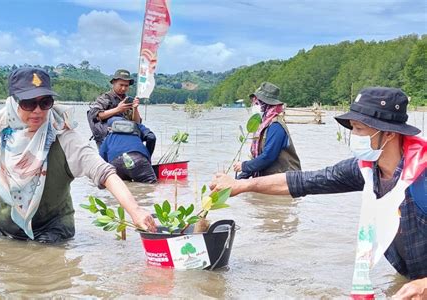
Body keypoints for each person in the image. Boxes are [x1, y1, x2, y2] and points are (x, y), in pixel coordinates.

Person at [210, 87, 426, 299]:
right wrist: (243, 186)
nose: (353, 136)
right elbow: (305, 181)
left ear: (388, 133)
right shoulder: (366, 170)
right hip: (412, 282)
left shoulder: (422, 179)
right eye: (352, 128)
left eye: (359, 129)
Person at [0, 67, 156, 243]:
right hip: (1, 229)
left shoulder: (62, 134)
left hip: (52, 231)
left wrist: (136, 211)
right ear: (14, 102)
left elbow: (103, 172)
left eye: (45, 102)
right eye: (28, 103)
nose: (37, 111)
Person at [235, 82, 301, 179]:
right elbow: (257, 159)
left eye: (257, 103)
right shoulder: (261, 126)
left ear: (266, 105)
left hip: (286, 179)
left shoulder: (276, 126)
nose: (254, 105)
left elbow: (268, 157)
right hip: (270, 178)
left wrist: (244, 166)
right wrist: (238, 180)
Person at [87, 69, 143, 147]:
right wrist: (118, 109)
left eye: (126, 86)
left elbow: (137, 123)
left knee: (150, 137)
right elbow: (97, 115)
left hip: (125, 138)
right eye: (121, 85)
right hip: (105, 138)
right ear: (114, 83)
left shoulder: (128, 100)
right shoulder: (105, 98)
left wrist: (135, 108)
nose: (123, 88)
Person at [99, 116, 157, 183]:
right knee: (150, 185)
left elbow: (101, 159)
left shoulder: (108, 138)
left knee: (124, 189)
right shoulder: (136, 125)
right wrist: (147, 158)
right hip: (138, 159)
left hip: (116, 163)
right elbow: (151, 137)